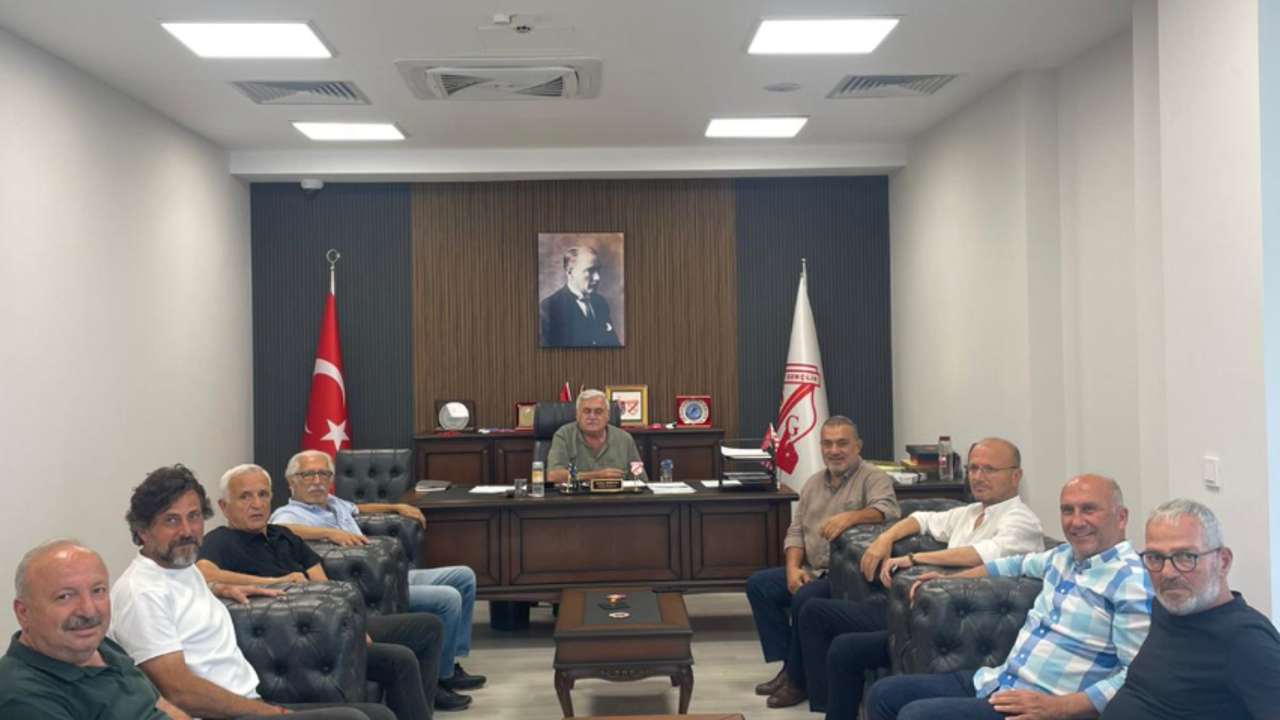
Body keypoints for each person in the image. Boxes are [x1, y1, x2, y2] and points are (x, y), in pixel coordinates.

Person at [109, 464, 397, 720]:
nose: (187, 530)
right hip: (226, 713)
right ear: (143, 530)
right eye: (171, 520)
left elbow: (191, 590)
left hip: (250, 702)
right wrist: (269, 713)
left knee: (378, 715)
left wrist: (218, 587)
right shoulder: (142, 594)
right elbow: (179, 693)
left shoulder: (181, 568)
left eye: (193, 516)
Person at [865, 474, 1153, 720]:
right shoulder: (1063, 557)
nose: (1076, 521)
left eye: (1089, 509)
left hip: (1040, 708)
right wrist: (948, 579)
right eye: (1068, 510)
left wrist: (1058, 708)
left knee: (917, 716)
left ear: (1121, 516)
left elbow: (1137, 677)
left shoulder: (1131, 581)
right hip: (998, 682)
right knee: (884, 693)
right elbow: (1012, 564)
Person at [791, 438, 1044, 715]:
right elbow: (921, 519)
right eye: (973, 468)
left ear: (1016, 476)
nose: (978, 477)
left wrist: (914, 558)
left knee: (830, 627)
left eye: (990, 469)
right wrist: (885, 539)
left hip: (962, 632)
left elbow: (982, 554)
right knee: (844, 648)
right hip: (923, 613)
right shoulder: (972, 512)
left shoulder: (1021, 520)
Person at [196, 463, 467, 715]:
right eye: (245, 497)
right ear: (224, 506)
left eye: (263, 495)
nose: (256, 504)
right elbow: (204, 573)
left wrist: (355, 624)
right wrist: (275, 582)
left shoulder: (283, 535)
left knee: (427, 627)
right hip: (297, 637)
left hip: (333, 622)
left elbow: (323, 583)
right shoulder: (221, 540)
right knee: (399, 659)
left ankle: (428, 703)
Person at [270, 450, 486, 694]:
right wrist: (329, 533)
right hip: (368, 589)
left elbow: (358, 508)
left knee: (463, 577)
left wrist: (396, 507)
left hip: (389, 575)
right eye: (308, 474)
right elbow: (278, 529)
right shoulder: (289, 514)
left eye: (323, 474)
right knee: (447, 598)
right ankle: (439, 681)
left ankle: (450, 663)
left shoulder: (332, 503)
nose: (317, 481)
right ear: (291, 481)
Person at [748, 416, 901, 706]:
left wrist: (851, 517)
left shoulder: (872, 477)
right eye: (827, 444)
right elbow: (796, 532)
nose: (834, 451)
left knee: (805, 597)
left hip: (847, 577)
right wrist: (792, 568)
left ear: (858, 446)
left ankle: (798, 681)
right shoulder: (812, 483)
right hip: (811, 569)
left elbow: (888, 510)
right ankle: (789, 665)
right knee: (760, 585)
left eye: (842, 444)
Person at [1098, 498, 1280, 720]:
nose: (1167, 573)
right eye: (1155, 557)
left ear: (1223, 562)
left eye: (1185, 557)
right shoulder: (1167, 606)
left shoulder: (1246, 640)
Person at [0, 538, 190, 720]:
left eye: (97, 591)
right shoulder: (22, 696)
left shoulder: (98, 645)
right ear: (23, 612)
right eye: (65, 596)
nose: (89, 610)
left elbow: (156, 704)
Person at [546, 389, 646, 485]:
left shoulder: (624, 439)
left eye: (598, 411)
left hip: (616, 496)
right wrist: (596, 476)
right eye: (587, 411)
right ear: (577, 415)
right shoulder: (564, 435)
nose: (592, 417)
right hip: (577, 495)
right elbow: (553, 475)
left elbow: (641, 480)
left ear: (607, 415)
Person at [539, 245, 621, 347]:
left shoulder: (600, 302)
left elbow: (613, 344)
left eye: (598, 270)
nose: (597, 277)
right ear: (570, 273)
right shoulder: (550, 307)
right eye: (590, 270)